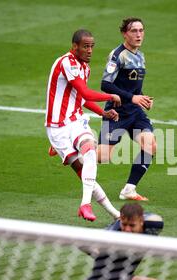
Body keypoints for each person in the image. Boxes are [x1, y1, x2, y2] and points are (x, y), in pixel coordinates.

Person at [45, 29, 122, 222]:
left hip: (76, 121)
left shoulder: (84, 68)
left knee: (89, 152)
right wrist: (110, 96)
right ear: (74, 47)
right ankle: (114, 213)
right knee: (83, 172)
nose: (89, 50)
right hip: (58, 128)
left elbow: (81, 99)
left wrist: (103, 112)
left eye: (92, 46)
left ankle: (87, 205)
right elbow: (86, 93)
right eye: (85, 46)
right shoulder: (66, 62)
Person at [46, 203, 173, 280]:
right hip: (108, 274)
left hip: (113, 273)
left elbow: (155, 219)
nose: (127, 229)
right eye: (124, 224)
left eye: (132, 225)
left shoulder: (154, 223)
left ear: (141, 221)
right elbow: (85, 244)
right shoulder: (111, 236)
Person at [97, 17, 156, 201]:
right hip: (117, 112)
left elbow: (134, 88)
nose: (138, 34)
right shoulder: (118, 55)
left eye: (141, 30)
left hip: (135, 112)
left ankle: (129, 189)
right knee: (103, 157)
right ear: (125, 34)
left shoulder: (140, 56)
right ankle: (73, 145)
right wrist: (133, 97)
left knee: (150, 144)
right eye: (134, 31)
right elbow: (105, 85)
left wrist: (143, 98)